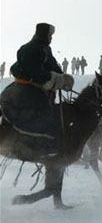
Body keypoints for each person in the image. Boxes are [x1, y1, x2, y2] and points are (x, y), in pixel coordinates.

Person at [0, 23, 74, 155]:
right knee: (45, 119)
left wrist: (63, 78)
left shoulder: (44, 49)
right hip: (27, 90)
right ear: (44, 34)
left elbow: (52, 65)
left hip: (25, 89)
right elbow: (35, 71)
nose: (51, 37)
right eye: (50, 35)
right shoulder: (32, 49)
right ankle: (43, 147)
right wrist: (55, 79)